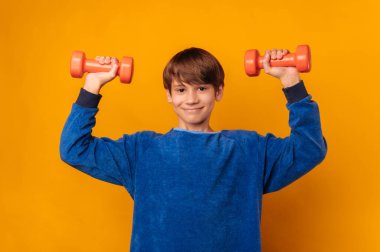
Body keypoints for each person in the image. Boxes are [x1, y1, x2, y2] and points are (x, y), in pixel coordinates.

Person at [60, 47, 327, 251]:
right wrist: (92, 84)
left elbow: (309, 148)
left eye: (201, 88)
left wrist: (291, 80)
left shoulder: (249, 150)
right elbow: (74, 149)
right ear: (169, 94)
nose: (191, 99)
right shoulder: (141, 151)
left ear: (218, 91)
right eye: (181, 89)